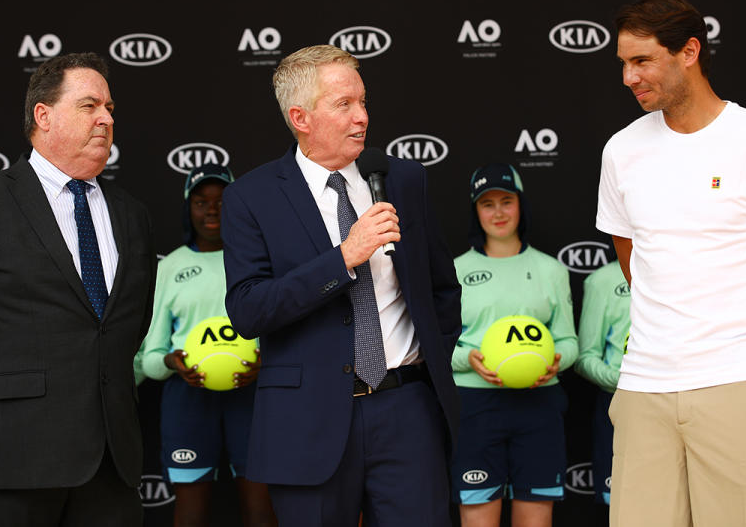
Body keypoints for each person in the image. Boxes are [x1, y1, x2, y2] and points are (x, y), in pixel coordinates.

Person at [595, 0, 746, 526]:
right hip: (642, 392)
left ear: (688, 52)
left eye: (641, 61)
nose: (628, 77)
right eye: (623, 63)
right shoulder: (620, 151)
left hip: (739, 387)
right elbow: (632, 255)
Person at [0, 52, 157, 526]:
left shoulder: (133, 215)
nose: (106, 118)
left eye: (109, 108)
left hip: (111, 466)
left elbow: (127, 327)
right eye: (89, 106)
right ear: (44, 115)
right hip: (10, 459)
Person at [220, 44, 462, 527]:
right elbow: (248, 310)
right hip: (307, 421)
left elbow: (442, 290)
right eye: (343, 105)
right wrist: (344, 258)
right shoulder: (251, 196)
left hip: (407, 409)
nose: (362, 117)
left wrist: (423, 367)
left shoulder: (403, 179)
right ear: (300, 117)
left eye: (363, 102)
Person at [138, 163, 276, 527]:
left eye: (221, 201)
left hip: (252, 394)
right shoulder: (171, 268)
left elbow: (284, 335)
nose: (211, 210)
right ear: (188, 207)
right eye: (201, 202)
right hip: (189, 400)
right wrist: (173, 362)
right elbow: (151, 358)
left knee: (261, 508)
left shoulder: (259, 261)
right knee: (191, 513)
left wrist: (268, 363)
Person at [449, 163, 577, 527]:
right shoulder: (456, 270)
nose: (499, 212)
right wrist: (466, 359)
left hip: (538, 406)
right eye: (487, 204)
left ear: (521, 205)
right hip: (476, 406)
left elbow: (568, 341)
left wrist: (556, 361)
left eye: (507, 201)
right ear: (476, 211)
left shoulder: (551, 269)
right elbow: (440, 345)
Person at [573, 259, 630, 507]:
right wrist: (621, 379)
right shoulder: (603, 280)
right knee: (621, 506)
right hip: (619, 403)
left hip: (688, 399)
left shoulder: (692, 266)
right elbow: (585, 357)